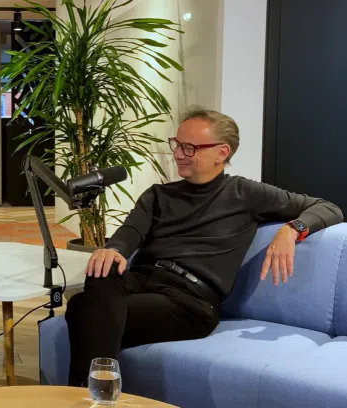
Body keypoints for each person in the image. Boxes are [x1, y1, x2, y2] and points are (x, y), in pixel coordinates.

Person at [64, 108, 343, 386]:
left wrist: (292, 229)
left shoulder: (245, 193)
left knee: (81, 308)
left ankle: (83, 395)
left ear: (222, 152)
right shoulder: (159, 195)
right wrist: (113, 249)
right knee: (101, 272)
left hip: (189, 301)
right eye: (176, 144)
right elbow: (131, 230)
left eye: (189, 147)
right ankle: (96, 394)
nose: (178, 154)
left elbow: (328, 207)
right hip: (142, 282)